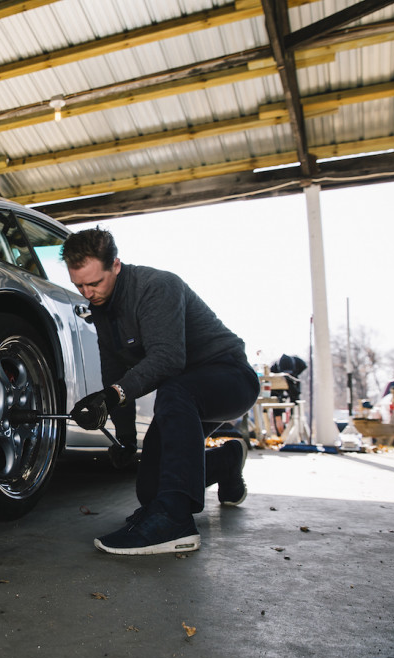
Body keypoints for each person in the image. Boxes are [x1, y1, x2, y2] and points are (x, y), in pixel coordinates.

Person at [61, 228, 259, 556]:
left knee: (174, 389)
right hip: (185, 393)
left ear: (116, 265)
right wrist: (124, 436)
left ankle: (176, 521)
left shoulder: (156, 287)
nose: (87, 293)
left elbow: (168, 359)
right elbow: (116, 376)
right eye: (78, 285)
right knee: (152, 488)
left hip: (230, 378)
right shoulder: (101, 308)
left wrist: (110, 396)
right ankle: (225, 461)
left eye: (94, 283)